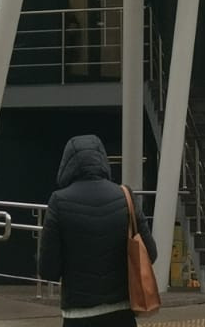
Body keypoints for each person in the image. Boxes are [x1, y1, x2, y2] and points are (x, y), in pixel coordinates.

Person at [38, 134, 158, 326]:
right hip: (122, 314)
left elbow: (48, 270)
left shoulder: (58, 201)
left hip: (79, 315)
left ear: (67, 163)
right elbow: (150, 253)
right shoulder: (125, 196)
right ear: (102, 160)